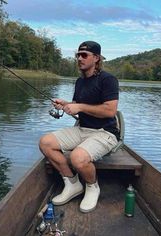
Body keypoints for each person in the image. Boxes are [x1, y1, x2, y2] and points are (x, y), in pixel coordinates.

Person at [39, 41, 119, 213]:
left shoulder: (108, 80)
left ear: (96, 58)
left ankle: (92, 187)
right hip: (82, 129)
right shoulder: (80, 81)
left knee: (78, 158)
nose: (79, 58)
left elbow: (110, 110)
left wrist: (80, 107)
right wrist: (66, 104)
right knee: (45, 142)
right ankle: (72, 183)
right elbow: (77, 105)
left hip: (105, 133)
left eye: (84, 55)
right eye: (78, 55)